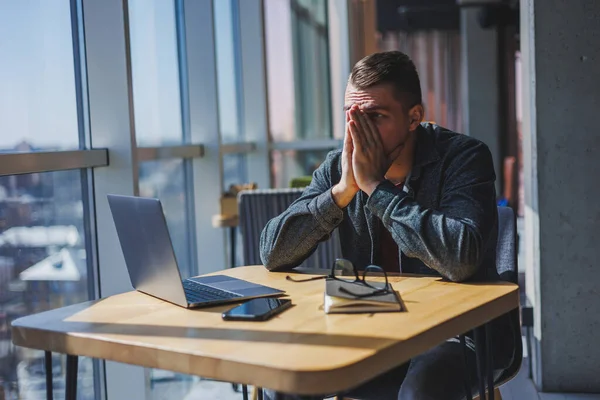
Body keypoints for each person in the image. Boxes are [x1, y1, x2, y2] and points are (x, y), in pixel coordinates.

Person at [260, 51, 514, 400]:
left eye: (375, 117)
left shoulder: (464, 157)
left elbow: (461, 257)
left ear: (414, 118)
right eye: (352, 117)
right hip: (374, 325)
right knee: (289, 382)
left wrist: (376, 189)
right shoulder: (339, 167)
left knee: (421, 390)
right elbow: (272, 252)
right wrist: (341, 192)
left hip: (458, 332)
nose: (359, 132)